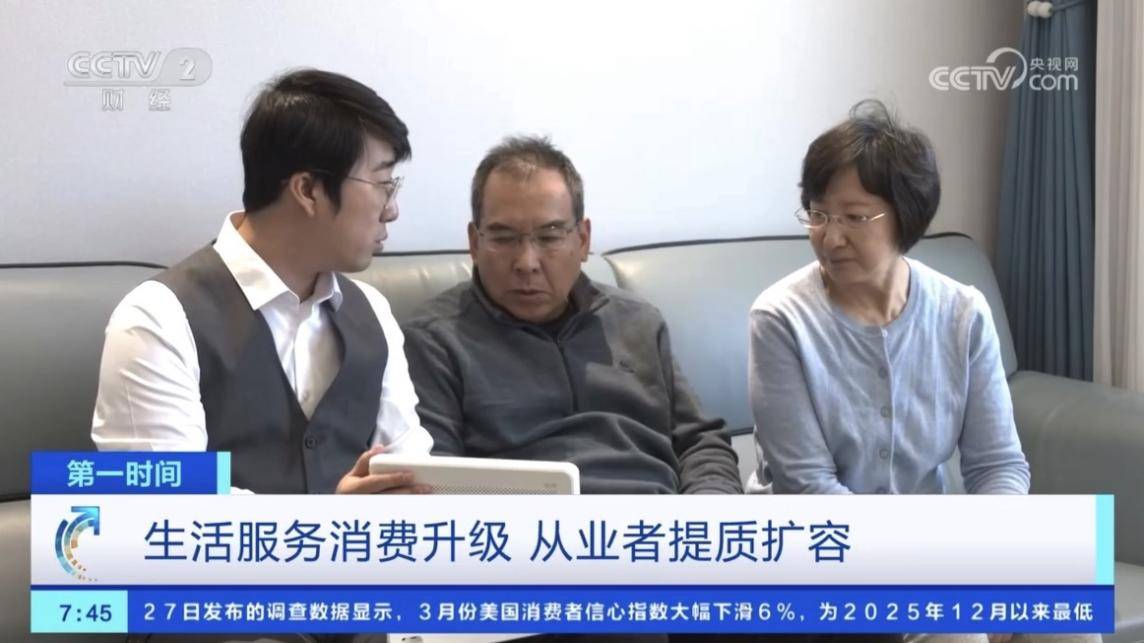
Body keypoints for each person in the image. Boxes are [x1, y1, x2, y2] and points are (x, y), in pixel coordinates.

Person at [92, 69, 432, 496]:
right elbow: (162, 506)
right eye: (383, 184)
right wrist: (330, 522)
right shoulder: (157, 320)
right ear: (307, 190)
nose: (392, 210)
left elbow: (411, 470)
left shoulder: (372, 311)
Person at [403, 135, 742, 496]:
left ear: (582, 240)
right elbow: (433, 479)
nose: (527, 263)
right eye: (503, 238)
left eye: (549, 237)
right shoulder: (434, 340)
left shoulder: (638, 321)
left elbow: (701, 442)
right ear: (474, 242)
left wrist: (709, 505)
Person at [748, 99, 1030, 497]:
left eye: (855, 217)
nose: (831, 238)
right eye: (818, 214)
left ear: (906, 215)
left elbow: (998, 464)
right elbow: (808, 485)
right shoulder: (781, 318)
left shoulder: (963, 315)